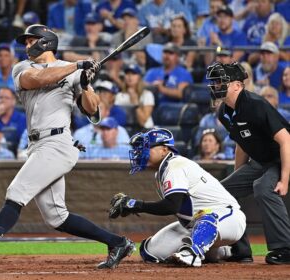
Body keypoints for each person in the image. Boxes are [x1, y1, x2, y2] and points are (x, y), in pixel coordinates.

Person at [0, 24, 135, 271]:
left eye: (31, 40)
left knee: (16, 191)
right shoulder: (23, 68)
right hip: (37, 144)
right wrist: (76, 67)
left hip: (58, 143)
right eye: (26, 42)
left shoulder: (72, 74)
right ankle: (118, 243)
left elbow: (93, 111)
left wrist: (86, 82)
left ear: (46, 41)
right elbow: (37, 79)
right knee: (56, 217)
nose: (27, 45)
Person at [108, 127, 246, 267]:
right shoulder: (162, 171)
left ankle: (194, 254)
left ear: (164, 150)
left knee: (206, 217)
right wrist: (134, 206)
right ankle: (226, 251)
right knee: (150, 252)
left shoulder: (176, 165)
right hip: (194, 225)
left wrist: (135, 205)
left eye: (147, 147)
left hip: (228, 218)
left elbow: (171, 206)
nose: (141, 152)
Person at [206, 61, 290, 264]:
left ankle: (285, 249)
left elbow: (286, 139)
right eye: (215, 82)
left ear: (237, 85)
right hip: (261, 161)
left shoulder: (256, 105)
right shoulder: (224, 111)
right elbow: (241, 143)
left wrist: (284, 180)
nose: (216, 86)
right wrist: (238, 175)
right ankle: (241, 251)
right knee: (221, 193)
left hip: (282, 157)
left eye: (221, 82)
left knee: (262, 187)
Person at [116, 64, 155, 129]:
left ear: (139, 77)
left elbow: (143, 122)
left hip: (145, 130)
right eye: (127, 73)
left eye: (133, 73)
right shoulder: (119, 96)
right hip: (126, 128)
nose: (130, 76)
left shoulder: (147, 95)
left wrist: (136, 103)